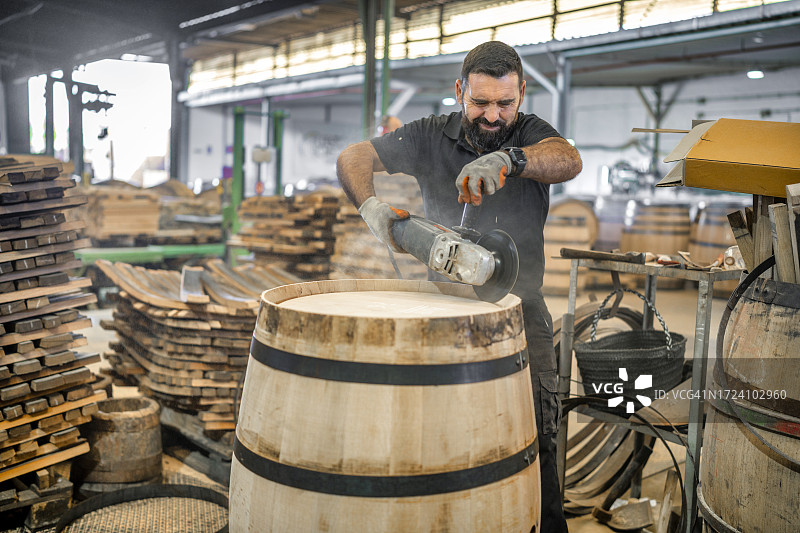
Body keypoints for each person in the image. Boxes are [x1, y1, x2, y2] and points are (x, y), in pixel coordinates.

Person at [336, 40, 582, 531]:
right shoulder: (430, 134)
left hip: (520, 312)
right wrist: (371, 207)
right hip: (444, 310)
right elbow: (353, 155)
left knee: (536, 436)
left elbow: (568, 159)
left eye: (504, 103)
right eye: (480, 102)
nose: (492, 115)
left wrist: (509, 160)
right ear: (459, 91)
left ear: (521, 93)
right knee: (443, 437)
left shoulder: (531, 134)